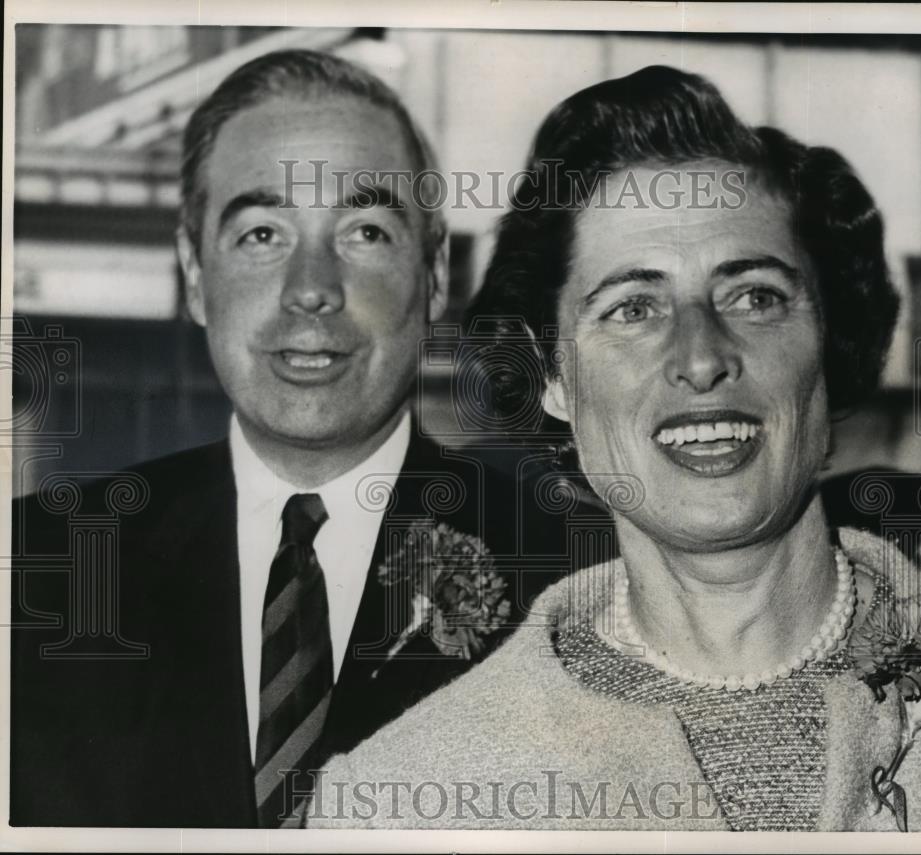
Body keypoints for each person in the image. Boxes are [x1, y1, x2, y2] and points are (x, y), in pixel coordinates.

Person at [309, 65, 921, 832]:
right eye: (632, 307)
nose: (701, 358)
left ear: (828, 344)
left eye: (755, 295)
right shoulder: (399, 799)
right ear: (552, 377)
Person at [10, 49, 578, 828]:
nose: (311, 287)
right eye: (263, 233)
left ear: (435, 273)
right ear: (194, 271)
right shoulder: (39, 572)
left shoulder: (574, 578)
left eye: (365, 231)